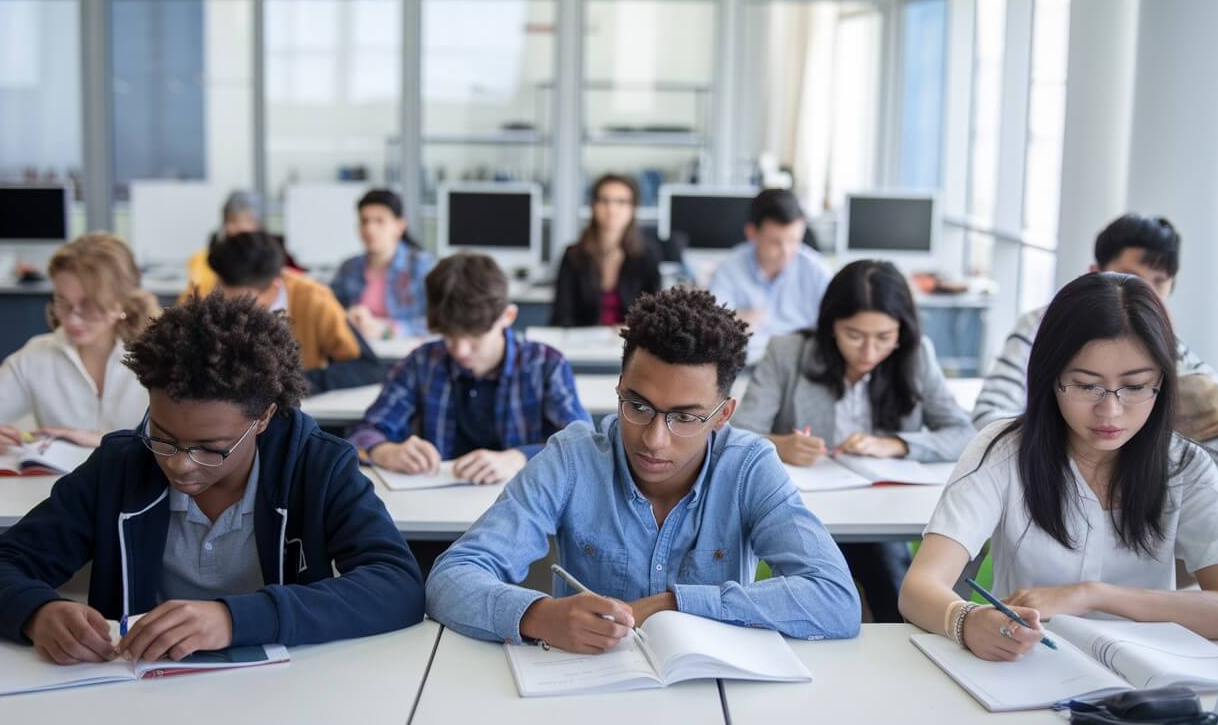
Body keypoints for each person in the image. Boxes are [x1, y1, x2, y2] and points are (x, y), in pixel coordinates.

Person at [0, 294, 424, 663]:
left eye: (210, 449)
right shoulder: (120, 465)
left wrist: (234, 619)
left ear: (263, 419)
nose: (179, 463)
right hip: (140, 690)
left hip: (286, 692)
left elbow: (397, 585)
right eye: (164, 436)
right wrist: (37, 612)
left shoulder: (317, 465)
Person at [425, 288, 861, 651]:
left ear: (723, 415)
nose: (654, 439)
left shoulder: (749, 467)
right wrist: (538, 616)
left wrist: (676, 603)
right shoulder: (572, 460)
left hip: (712, 696)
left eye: (685, 417)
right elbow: (450, 578)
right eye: (637, 405)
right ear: (618, 389)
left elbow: (835, 600)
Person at [899, 272, 1218, 661]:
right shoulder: (1004, 451)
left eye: (1135, 387)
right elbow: (919, 587)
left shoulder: (1184, 465)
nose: (1110, 410)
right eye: (1086, 385)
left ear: (1162, 384)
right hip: (1025, 668)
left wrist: (1091, 595)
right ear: (1051, 379)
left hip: (1148, 683)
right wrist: (964, 619)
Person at [733, 260, 975, 623]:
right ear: (831, 325)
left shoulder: (915, 353)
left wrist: (896, 444)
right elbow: (736, 434)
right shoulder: (788, 353)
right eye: (855, 335)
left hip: (881, 511)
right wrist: (780, 445)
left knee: (893, 587)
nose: (868, 351)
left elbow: (963, 434)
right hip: (808, 508)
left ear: (901, 331)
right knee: (815, 595)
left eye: (883, 337)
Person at [973, 214, 1218, 463]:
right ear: (1095, 273)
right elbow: (988, 417)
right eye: (1132, 277)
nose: (1146, 293)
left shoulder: (1169, 345)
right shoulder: (1041, 326)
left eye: (1159, 281)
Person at [348, 253, 589, 485]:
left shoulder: (546, 364)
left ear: (508, 316)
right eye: (449, 336)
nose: (460, 350)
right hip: (436, 504)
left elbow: (583, 444)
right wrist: (385, 451)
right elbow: (363, 432)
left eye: (475, 338)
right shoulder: (423, 362)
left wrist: (519, 457)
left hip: (525, 509)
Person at [0, 233, 160, 454]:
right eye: (62, 302)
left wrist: (100, 441)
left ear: (121, 301)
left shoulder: (159, 357)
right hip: (57, 486)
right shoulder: (38, 355)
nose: (72, 319)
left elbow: (185, 442)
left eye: (89, 305)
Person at [208, 231, 378, 392]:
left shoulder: (314, 299)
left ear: (274, 286)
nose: (227, 307)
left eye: (242, 301)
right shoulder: (211, 297)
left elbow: (366, 368)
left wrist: (293, 383)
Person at [708, 188, 832, 362]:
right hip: (744, 369)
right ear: (752, 233)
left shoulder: (817, 271)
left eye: (793, 240)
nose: (786, 251)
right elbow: (713, 327)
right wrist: (733, 320)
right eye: (776, 242)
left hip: (801, 365)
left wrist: (739, 317)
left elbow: (834, 328)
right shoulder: (728, 270)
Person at [550, 174, 662, 327]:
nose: (611, 209)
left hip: (630, 345)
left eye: (621, 202)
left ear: (633, 208)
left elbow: (655, 317)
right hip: (581, 345)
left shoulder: (647, 255)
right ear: (593, 206)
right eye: (604, 200)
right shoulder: (573, 255)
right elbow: (561, 317)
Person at [330, 189, 435, 340]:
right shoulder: (348, 268)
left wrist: (387, 329)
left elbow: (438, 322)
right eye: (364, 221)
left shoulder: (423, 266)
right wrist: (347, 317)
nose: (370, 229)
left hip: (404, 356)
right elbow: (329, 312)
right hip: (359, 353)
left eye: (380, 221)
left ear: (399, 226)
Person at [183, 191, 302, 300]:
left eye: (248, 221)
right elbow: (189, 300)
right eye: (233, 221)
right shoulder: (201, 260)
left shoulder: (280, 261)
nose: (239, 227)